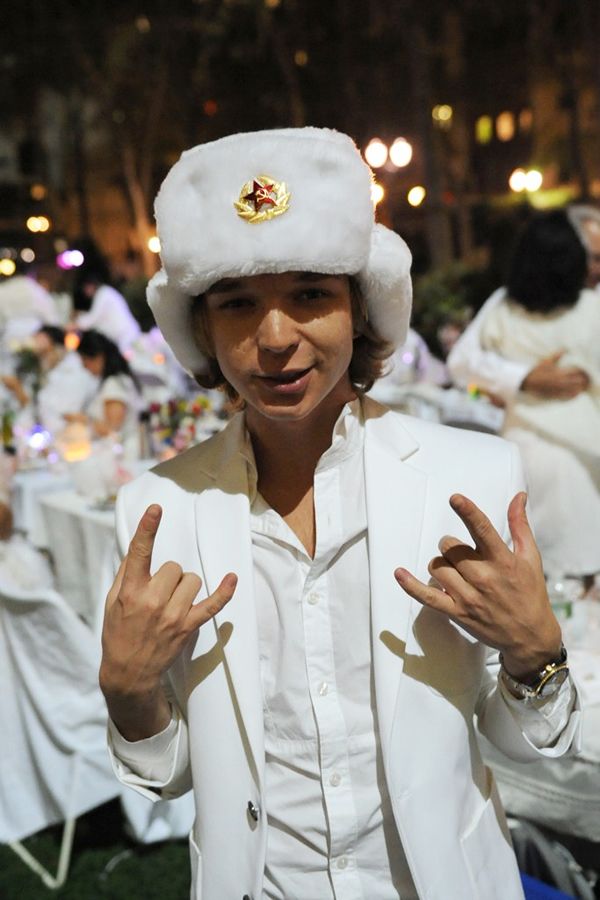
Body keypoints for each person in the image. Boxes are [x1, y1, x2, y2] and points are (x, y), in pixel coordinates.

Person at [100, 128, 580, 900]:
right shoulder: (159, 508)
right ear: (202, 328)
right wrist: (130, 696)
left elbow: (528, 750)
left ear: (359, 310)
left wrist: (536, 658)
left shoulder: (471, 475)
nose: (276, 339)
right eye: (237, 304)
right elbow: (179, 774)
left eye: (311, 295)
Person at [476, 210, 600, 586]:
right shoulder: (590, 310)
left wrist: (516, 381)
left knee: (528, 573)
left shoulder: (504, 311)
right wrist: (528, 377)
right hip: (580, 456)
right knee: (581, 576)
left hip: (518, 452)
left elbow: (464, 364)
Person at [448, 204, 600, 404]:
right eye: (593, 257)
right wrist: (522, 377)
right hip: (521, 428)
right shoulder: (509, 302)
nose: (595, 267)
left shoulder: (592, 304)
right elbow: (460, 365)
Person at [1, 325, 98, 437]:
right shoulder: (44, 370)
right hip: (38, 432)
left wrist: (18, 389)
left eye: (39, 336)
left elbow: (58, 413)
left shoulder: (73, 373)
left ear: (55, 345)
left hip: (61, 436)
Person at [64, 330, 143, 460]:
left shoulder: (114, 384)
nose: (84, 366)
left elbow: (112, 429)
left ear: (99, 356)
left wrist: (81, 419)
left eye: (85, 360)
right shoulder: (114, 381)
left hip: (122, 459)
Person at [71, 267, 141, 351]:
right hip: (124, 336)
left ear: (91, 285)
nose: (85, 292)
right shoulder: (104, 293)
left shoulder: (103, 293)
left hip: (126, 336)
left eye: (85, 288)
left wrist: (74, 325)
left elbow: (93, 319)